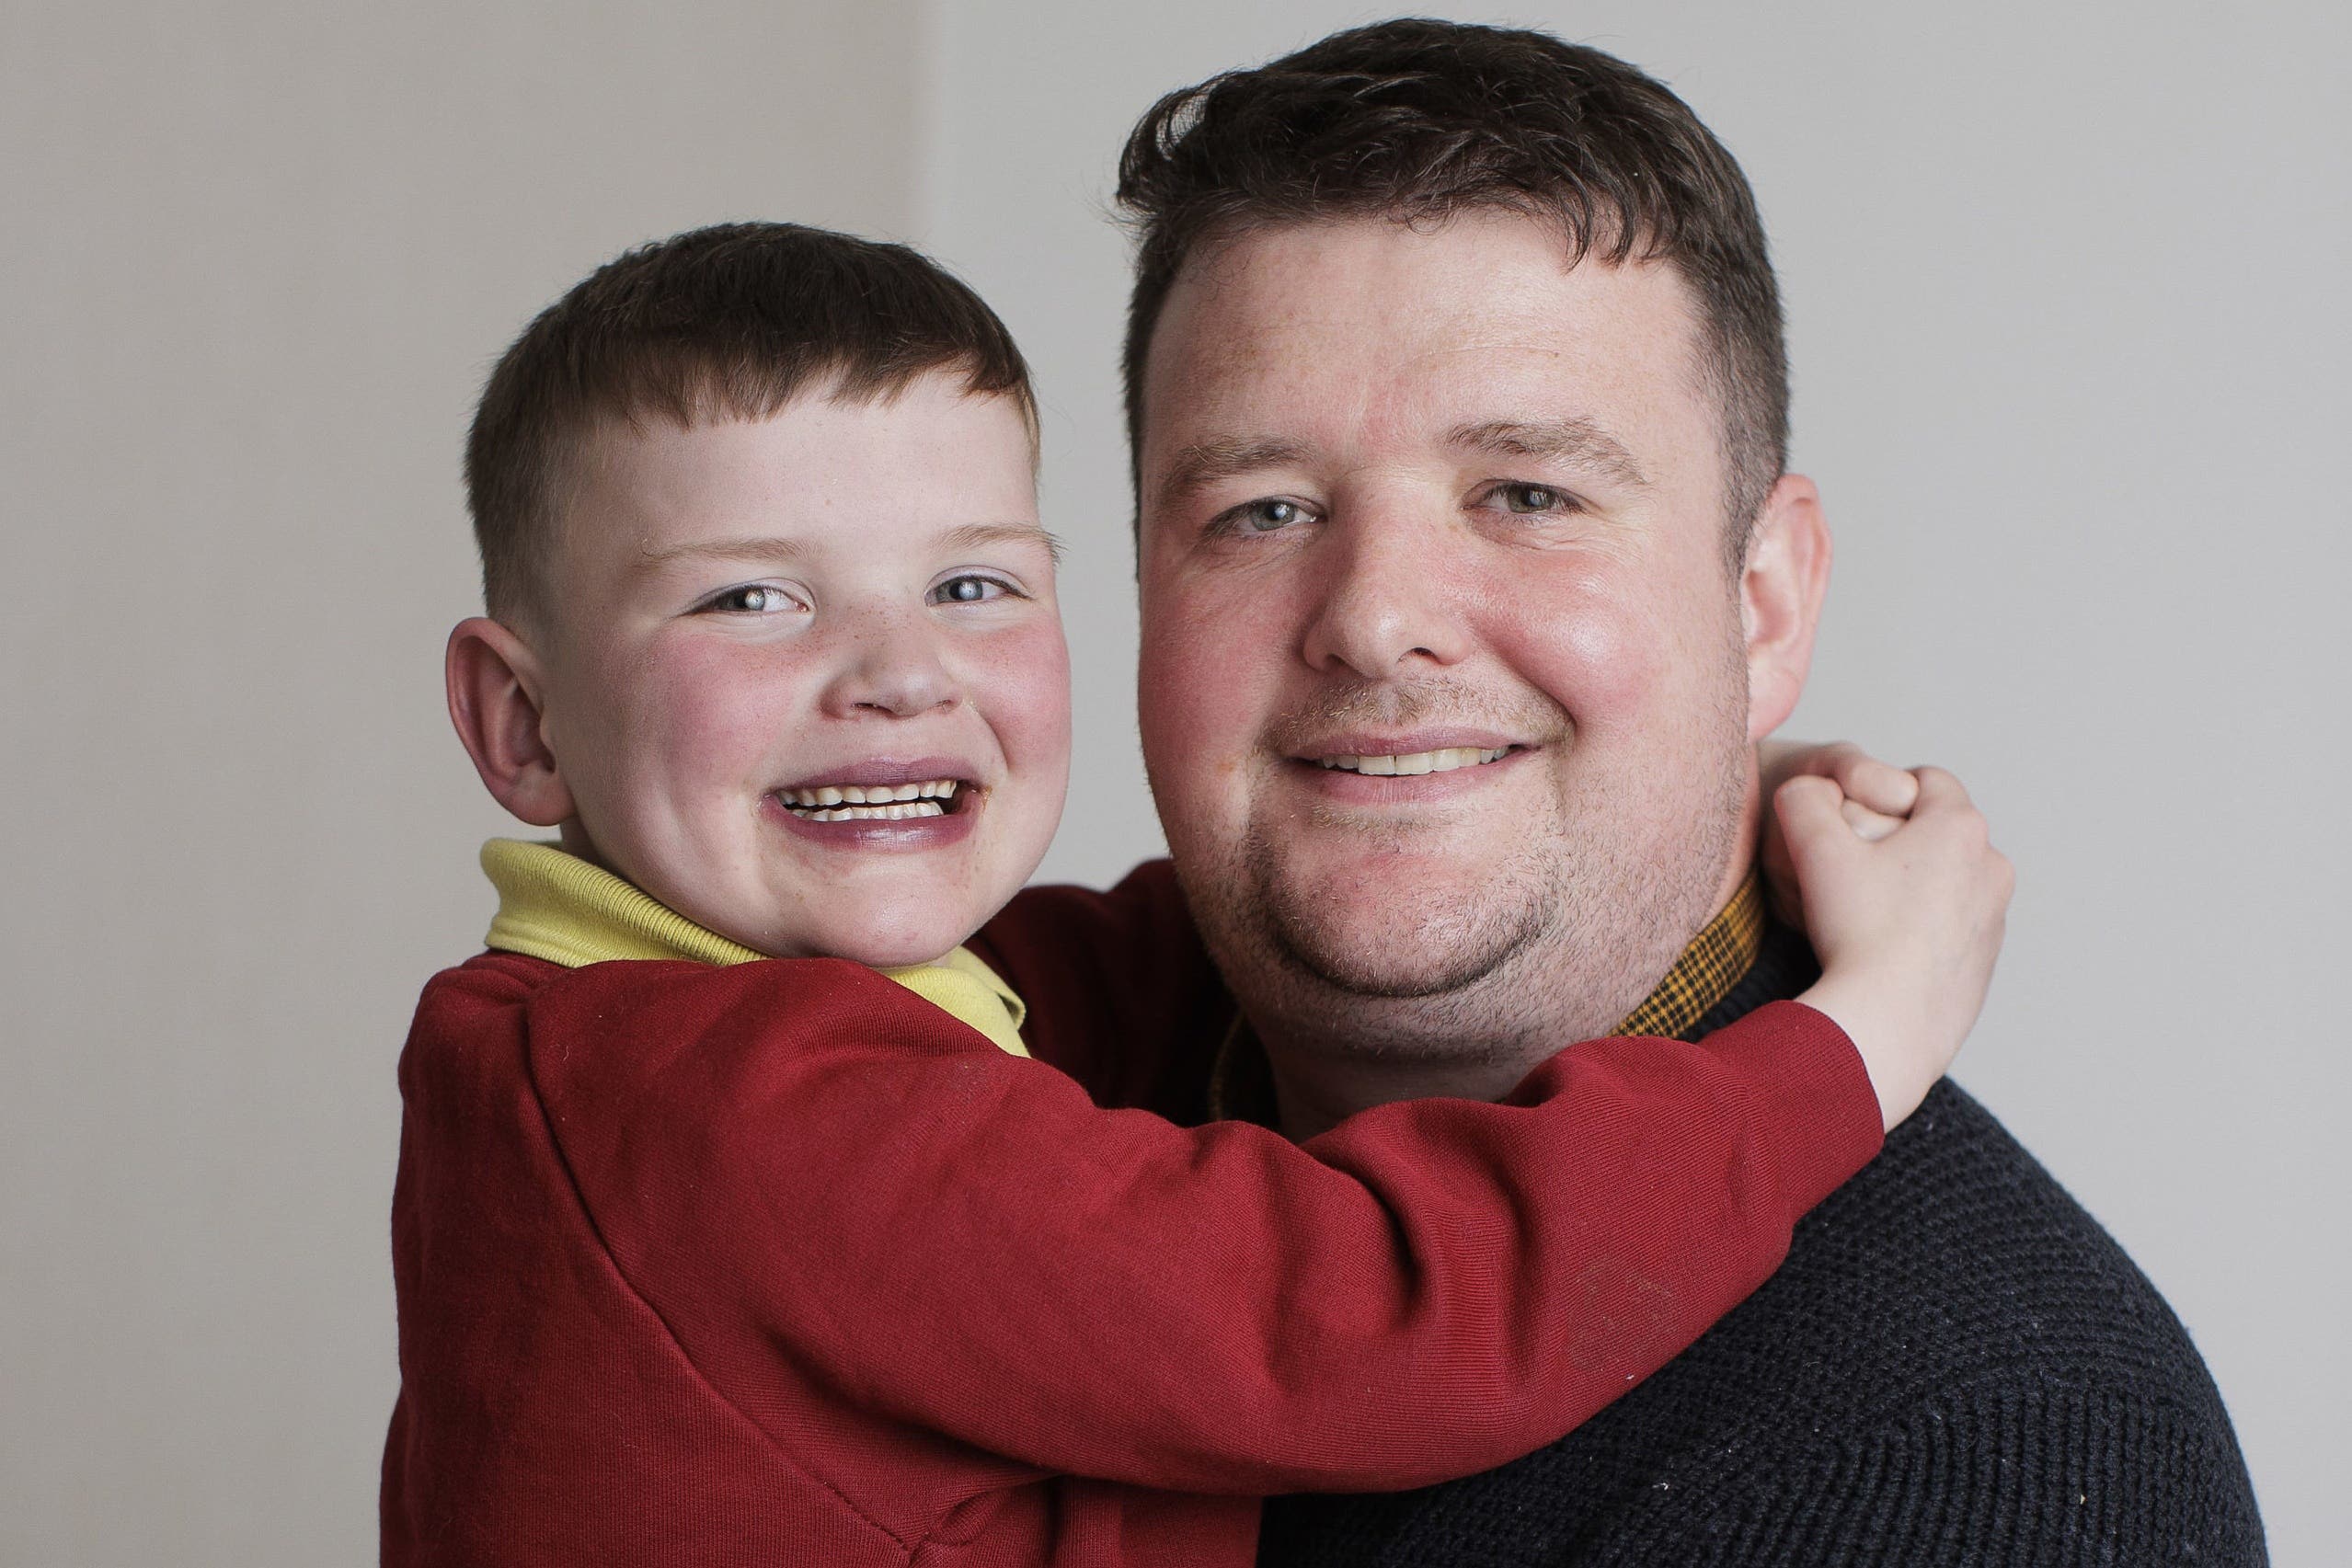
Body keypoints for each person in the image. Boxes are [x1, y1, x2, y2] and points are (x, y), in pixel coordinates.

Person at [383, 221, 2010, 1565]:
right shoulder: (739, 1110)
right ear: (524, 724)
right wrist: (1858, 1033)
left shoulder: (621, 1036)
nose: (897, 674)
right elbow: (1362, 1319)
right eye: (751, 597)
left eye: (972, 584)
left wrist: (1666, 769)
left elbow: (1104, 980)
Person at [1020, 18, 2258, 1564]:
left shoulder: (1976, 1442)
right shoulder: (957, 1121)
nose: (1373, 614)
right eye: (1260, 508)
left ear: (1764, 600)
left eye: (1528, 494)